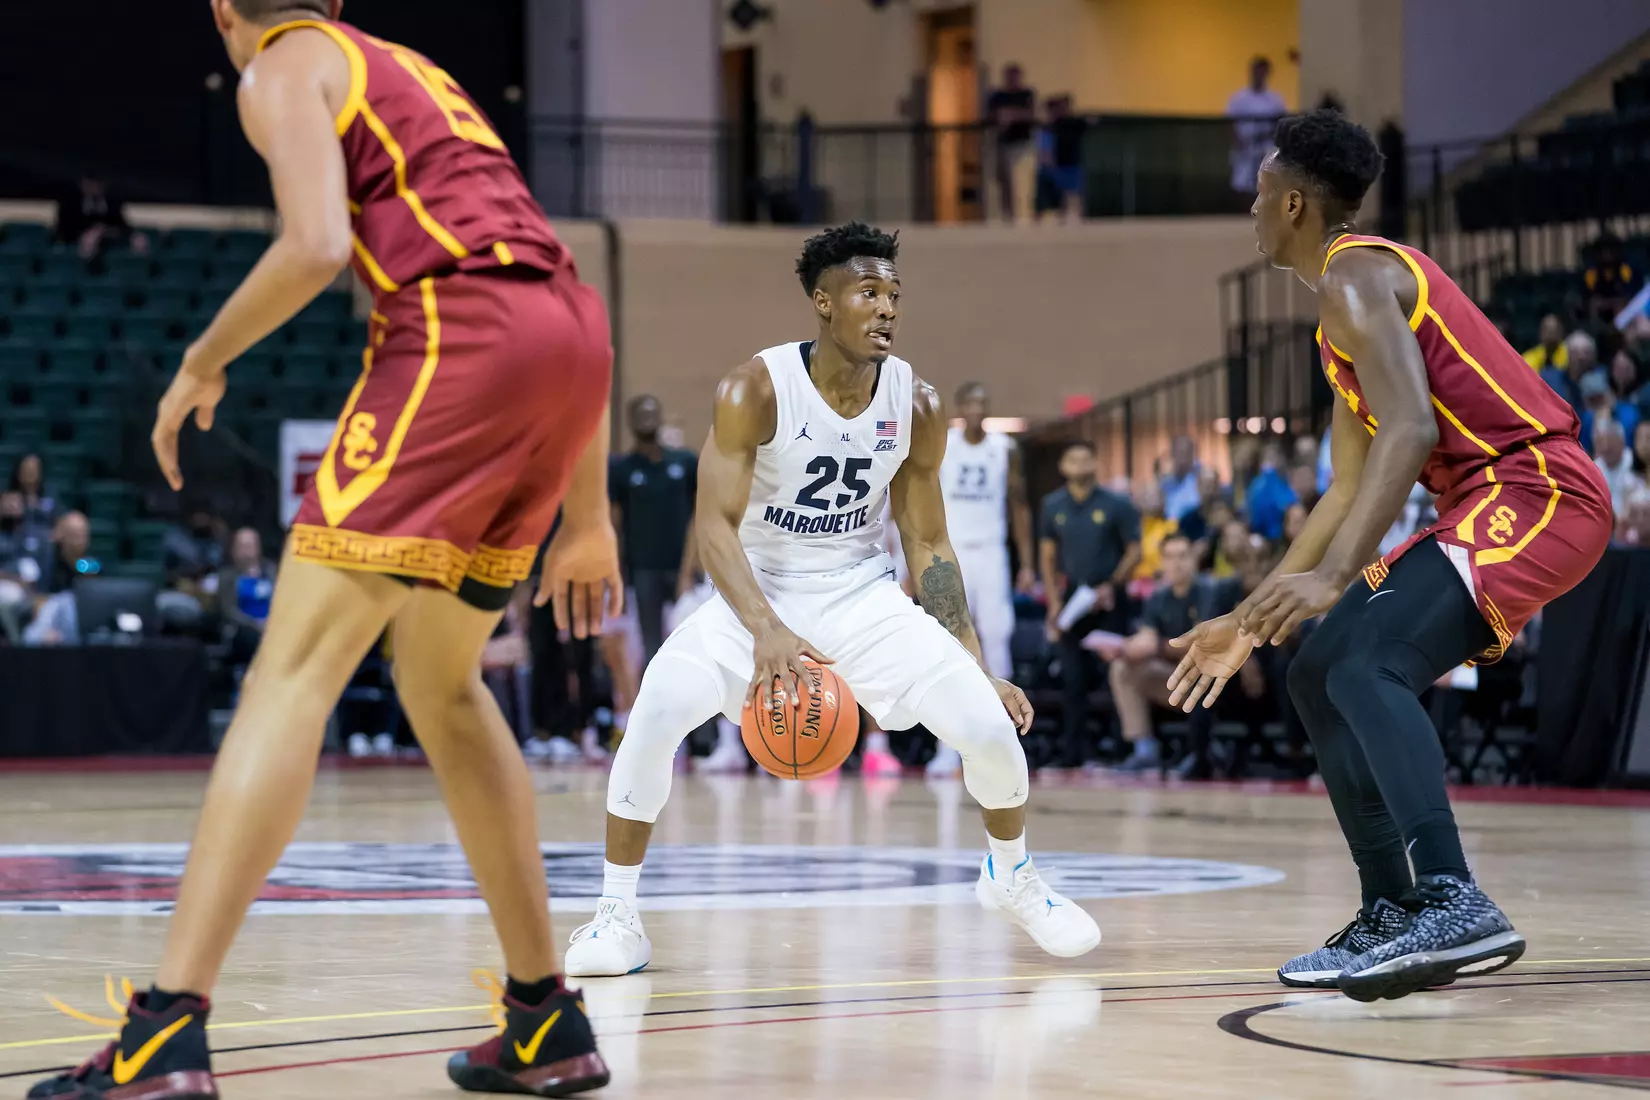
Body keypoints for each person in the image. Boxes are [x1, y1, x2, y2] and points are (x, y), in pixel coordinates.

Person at [34, 4, 619, 1098]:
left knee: (288, 678)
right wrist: (589, 516)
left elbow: (314, 246)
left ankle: (165, 1030)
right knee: (443, 687)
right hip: (569, 344)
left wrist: (203, 359)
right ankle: (545, 1016)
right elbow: (560, 273)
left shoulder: (280, 66)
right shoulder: (413, 70)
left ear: (222, 10)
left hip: (461, 341)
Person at [558, 223, 1100, 979]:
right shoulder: (755, 388)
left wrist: (975, 662)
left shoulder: (916, 402)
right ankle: (616, 916)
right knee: (652, 715)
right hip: (755, 592)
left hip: (860, 595)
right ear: (823, 301)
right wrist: (766, 628)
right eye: (867, 292)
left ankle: (1010, 876)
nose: (887, 308)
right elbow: (712, 528)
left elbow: (929, 543)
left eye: (894, 294)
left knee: (987, 727)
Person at [1170, 110, 1611, 1001]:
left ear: (1294, 203)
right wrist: (1249, 621)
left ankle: (1453, 895)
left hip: (1539, 491)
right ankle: (1392, 907)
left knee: (1367, 664)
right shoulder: (1340, 313)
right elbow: (1344, 491)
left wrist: (1336, 577)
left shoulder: (1358, 275)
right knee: (1316, 669)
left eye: (1259, 191)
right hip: (1486, 500)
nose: (1252, 207)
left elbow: (1409, 429)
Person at [930, 381, 1036, 776]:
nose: (977, 409)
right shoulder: (944, 444)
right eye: (970, 403)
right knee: (948, 643)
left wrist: (1027, 564)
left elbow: (1019, 507)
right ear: (959, 408)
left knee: (997, 638)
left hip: (991, 552)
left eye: (983, 403)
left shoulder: (1004, 448)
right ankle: (947, 748)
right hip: (951, 552)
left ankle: (1002, 742)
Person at [1039, 441, 1142, 768]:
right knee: (1072, 677)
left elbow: (1135, 550)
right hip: (1073, 601)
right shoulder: (1053, 505)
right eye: (1073, 457)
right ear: (1062, 465)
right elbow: (1047, 556)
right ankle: (1074, 753)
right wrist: (1054, 602)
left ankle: (1120, 750)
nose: (1079, 464)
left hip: (1109, 600)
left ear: (1096, 463)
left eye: (1086, 458)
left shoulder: (1117, 504)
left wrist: (1112, 584)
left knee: (1114, 673)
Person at [609, 394, 699, 665]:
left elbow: (700, 517)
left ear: (660, 418)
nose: (646, 419)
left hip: (682, 567)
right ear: (630, 421)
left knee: (694, 639)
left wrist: (687, 570)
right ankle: (656, 691)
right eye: (640, 413)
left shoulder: (685, 462)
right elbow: (614, 526)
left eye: (651, 412)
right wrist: (619, 578)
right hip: (644, 571)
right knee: (650, 647)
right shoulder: (622, 469)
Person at [1105, 532, 1202, 772]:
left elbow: (1201, 647)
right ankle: (1144, 749)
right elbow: (1146, 639)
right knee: (1121, 667)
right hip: (1175, 678)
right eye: (1170, 557)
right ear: (1162, 562)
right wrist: (1123, 649)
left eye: (1182, 556)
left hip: (1210, 679)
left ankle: (1200, 754)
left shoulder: (1209, 591)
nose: (1176, 563)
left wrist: (1157, 646)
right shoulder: (1158, 598)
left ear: (1194, 559)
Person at [212, 526, 278, 666]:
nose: (246, 551)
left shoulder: (272, 572)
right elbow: (228, 610)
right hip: (241, 630)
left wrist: (271, 622)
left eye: (250, 545)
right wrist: (255, 624)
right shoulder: (226, 577)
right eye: (242, 546)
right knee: (252, 638)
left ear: (258, 548)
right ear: (234, 550)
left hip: (272, 626)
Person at [1226, 56, 1287, 201]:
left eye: (1262, 71)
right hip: (1245, 148)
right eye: (1256, 70)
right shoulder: (1239, 98)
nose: (1259, 74)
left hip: (1266, 147)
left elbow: (1281, 123)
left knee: (1266, 185)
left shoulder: (1275, 99)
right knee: (1243, 185)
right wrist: (1238, 142)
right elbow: (1229, 122)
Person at [54, 174, 151, 260]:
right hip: (77, 242)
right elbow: (65, 230)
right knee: (89, 240)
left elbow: (122, 227)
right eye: (88, 184)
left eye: (95, 184)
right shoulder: (70, 205)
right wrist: (89, 234)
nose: (92, 188)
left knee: (138, 239)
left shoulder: (112, 205)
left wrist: (102, 231)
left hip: (109, 240)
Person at [987, 63, 1038, 224]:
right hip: (1003, 143)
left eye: (1015, 77)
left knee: (1022, 181)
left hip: (1022, 144)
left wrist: (1011, 115)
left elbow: (1031, 114)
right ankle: (1007, 214)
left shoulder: (1026, 94)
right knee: (1004, 180)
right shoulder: (997, 96)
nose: (1012, 80)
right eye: (1009, 76)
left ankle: (1025, 214)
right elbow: (993, 116)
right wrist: (1003, 117)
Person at [1036, 94, 1086, 223]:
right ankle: (1060, 217)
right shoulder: (1051, 127)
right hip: (1057, 164)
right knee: (1059, 193)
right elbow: (1045, 148)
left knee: (1077, 191)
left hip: (1072, 162)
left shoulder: (1075, 123)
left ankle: (1080, 217)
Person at [1592, 419, 1640, 515]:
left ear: (1622, 442)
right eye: (1601, 443)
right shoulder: (1593, 468)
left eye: (1610, 443)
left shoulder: (1636, 463)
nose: (1606, 448)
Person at [9, 453, 57, 531]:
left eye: (34, 469)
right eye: (27, 469)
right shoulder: (8, 500)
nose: (30, 473)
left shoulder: (50, 499)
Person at [1159, 435, 1202, 523]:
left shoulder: (1201, 481)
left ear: (1193, 455)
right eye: (1178, 453)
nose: (1182, 458)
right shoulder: (1165, 484)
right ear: (1172, 455)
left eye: (1186, 453)